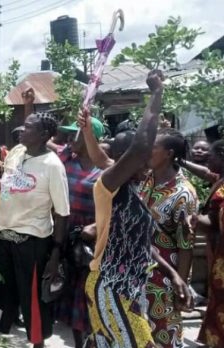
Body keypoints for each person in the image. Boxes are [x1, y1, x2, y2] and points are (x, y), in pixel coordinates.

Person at [82, 70, 167, 348]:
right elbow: (140, 149)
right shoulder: (109, 184)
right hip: (112, 285)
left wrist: (86, 130)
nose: (147, 165)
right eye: (141, 161)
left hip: (126, 287)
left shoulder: (126, 182)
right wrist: (156, 95)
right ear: (124, 160)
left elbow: (100, 157)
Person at [0, 112, 70, 347]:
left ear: (44, 135)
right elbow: (4, 195)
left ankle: (37, 342)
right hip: (4, 237)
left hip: (33, 242)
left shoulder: (53, 166)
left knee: (32, 298)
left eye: (28, 128)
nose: (21, 130)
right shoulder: (16, 153)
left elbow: (62, 213)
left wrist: (55, 254)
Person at [137, 128, 197, 348]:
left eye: (153, 146)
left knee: (163, 334)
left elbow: (186, 246)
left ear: (169, 153)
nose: (147, 151)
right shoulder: (147, 179)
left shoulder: (183, 194)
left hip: (163, 277)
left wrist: (180, 286)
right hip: (137, 270)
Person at [54, 117, 105, 348]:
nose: (69, 139)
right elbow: (46, 142)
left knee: (90, 296)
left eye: (75, 134)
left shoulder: (104, 169)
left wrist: (96, 227)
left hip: (94, 239)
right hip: (67, 235)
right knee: (72, 295)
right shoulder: (66, 160)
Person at [195, 139, 224, 347]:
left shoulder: (222, 190)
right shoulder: (220, 180)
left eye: (212, 155)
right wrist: (182, 162)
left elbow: (211, 223)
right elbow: (205, 173)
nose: (208, 158)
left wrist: (193, 216)